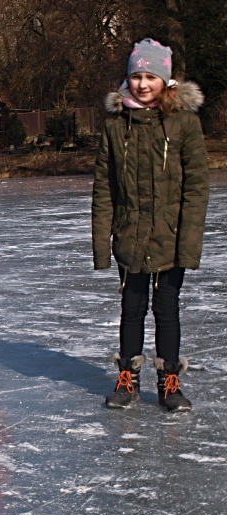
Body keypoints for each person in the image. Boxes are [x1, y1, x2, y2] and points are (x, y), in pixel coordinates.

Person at [92, 38, 208, 412]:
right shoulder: (115, 126)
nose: (143, 84)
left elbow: (196, 188)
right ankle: (127, 378)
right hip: (130, 233)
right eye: (136, 76)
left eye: (150, 77)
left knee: (167, 307)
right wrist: (102, 244)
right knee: (132, 306)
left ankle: (169, 383)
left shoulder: (184, 123)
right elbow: (104, 188)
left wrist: (188, 244)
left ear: (165, 80)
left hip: (170, 235)